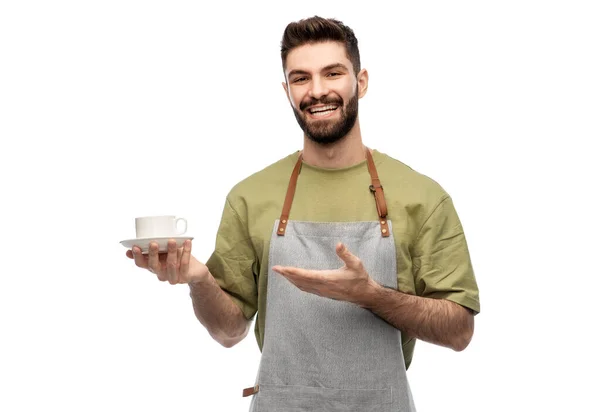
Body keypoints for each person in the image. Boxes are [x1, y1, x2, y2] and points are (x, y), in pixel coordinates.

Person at [126, 15, 480, 411]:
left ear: (360, 82)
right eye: (300, 78)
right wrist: (199, 279)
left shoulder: (422, 197)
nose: (317, 91)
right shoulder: (250, 196)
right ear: (287, 90)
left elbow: (459, 331)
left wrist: (371, 296)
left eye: (332, 73)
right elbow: (228, 331)